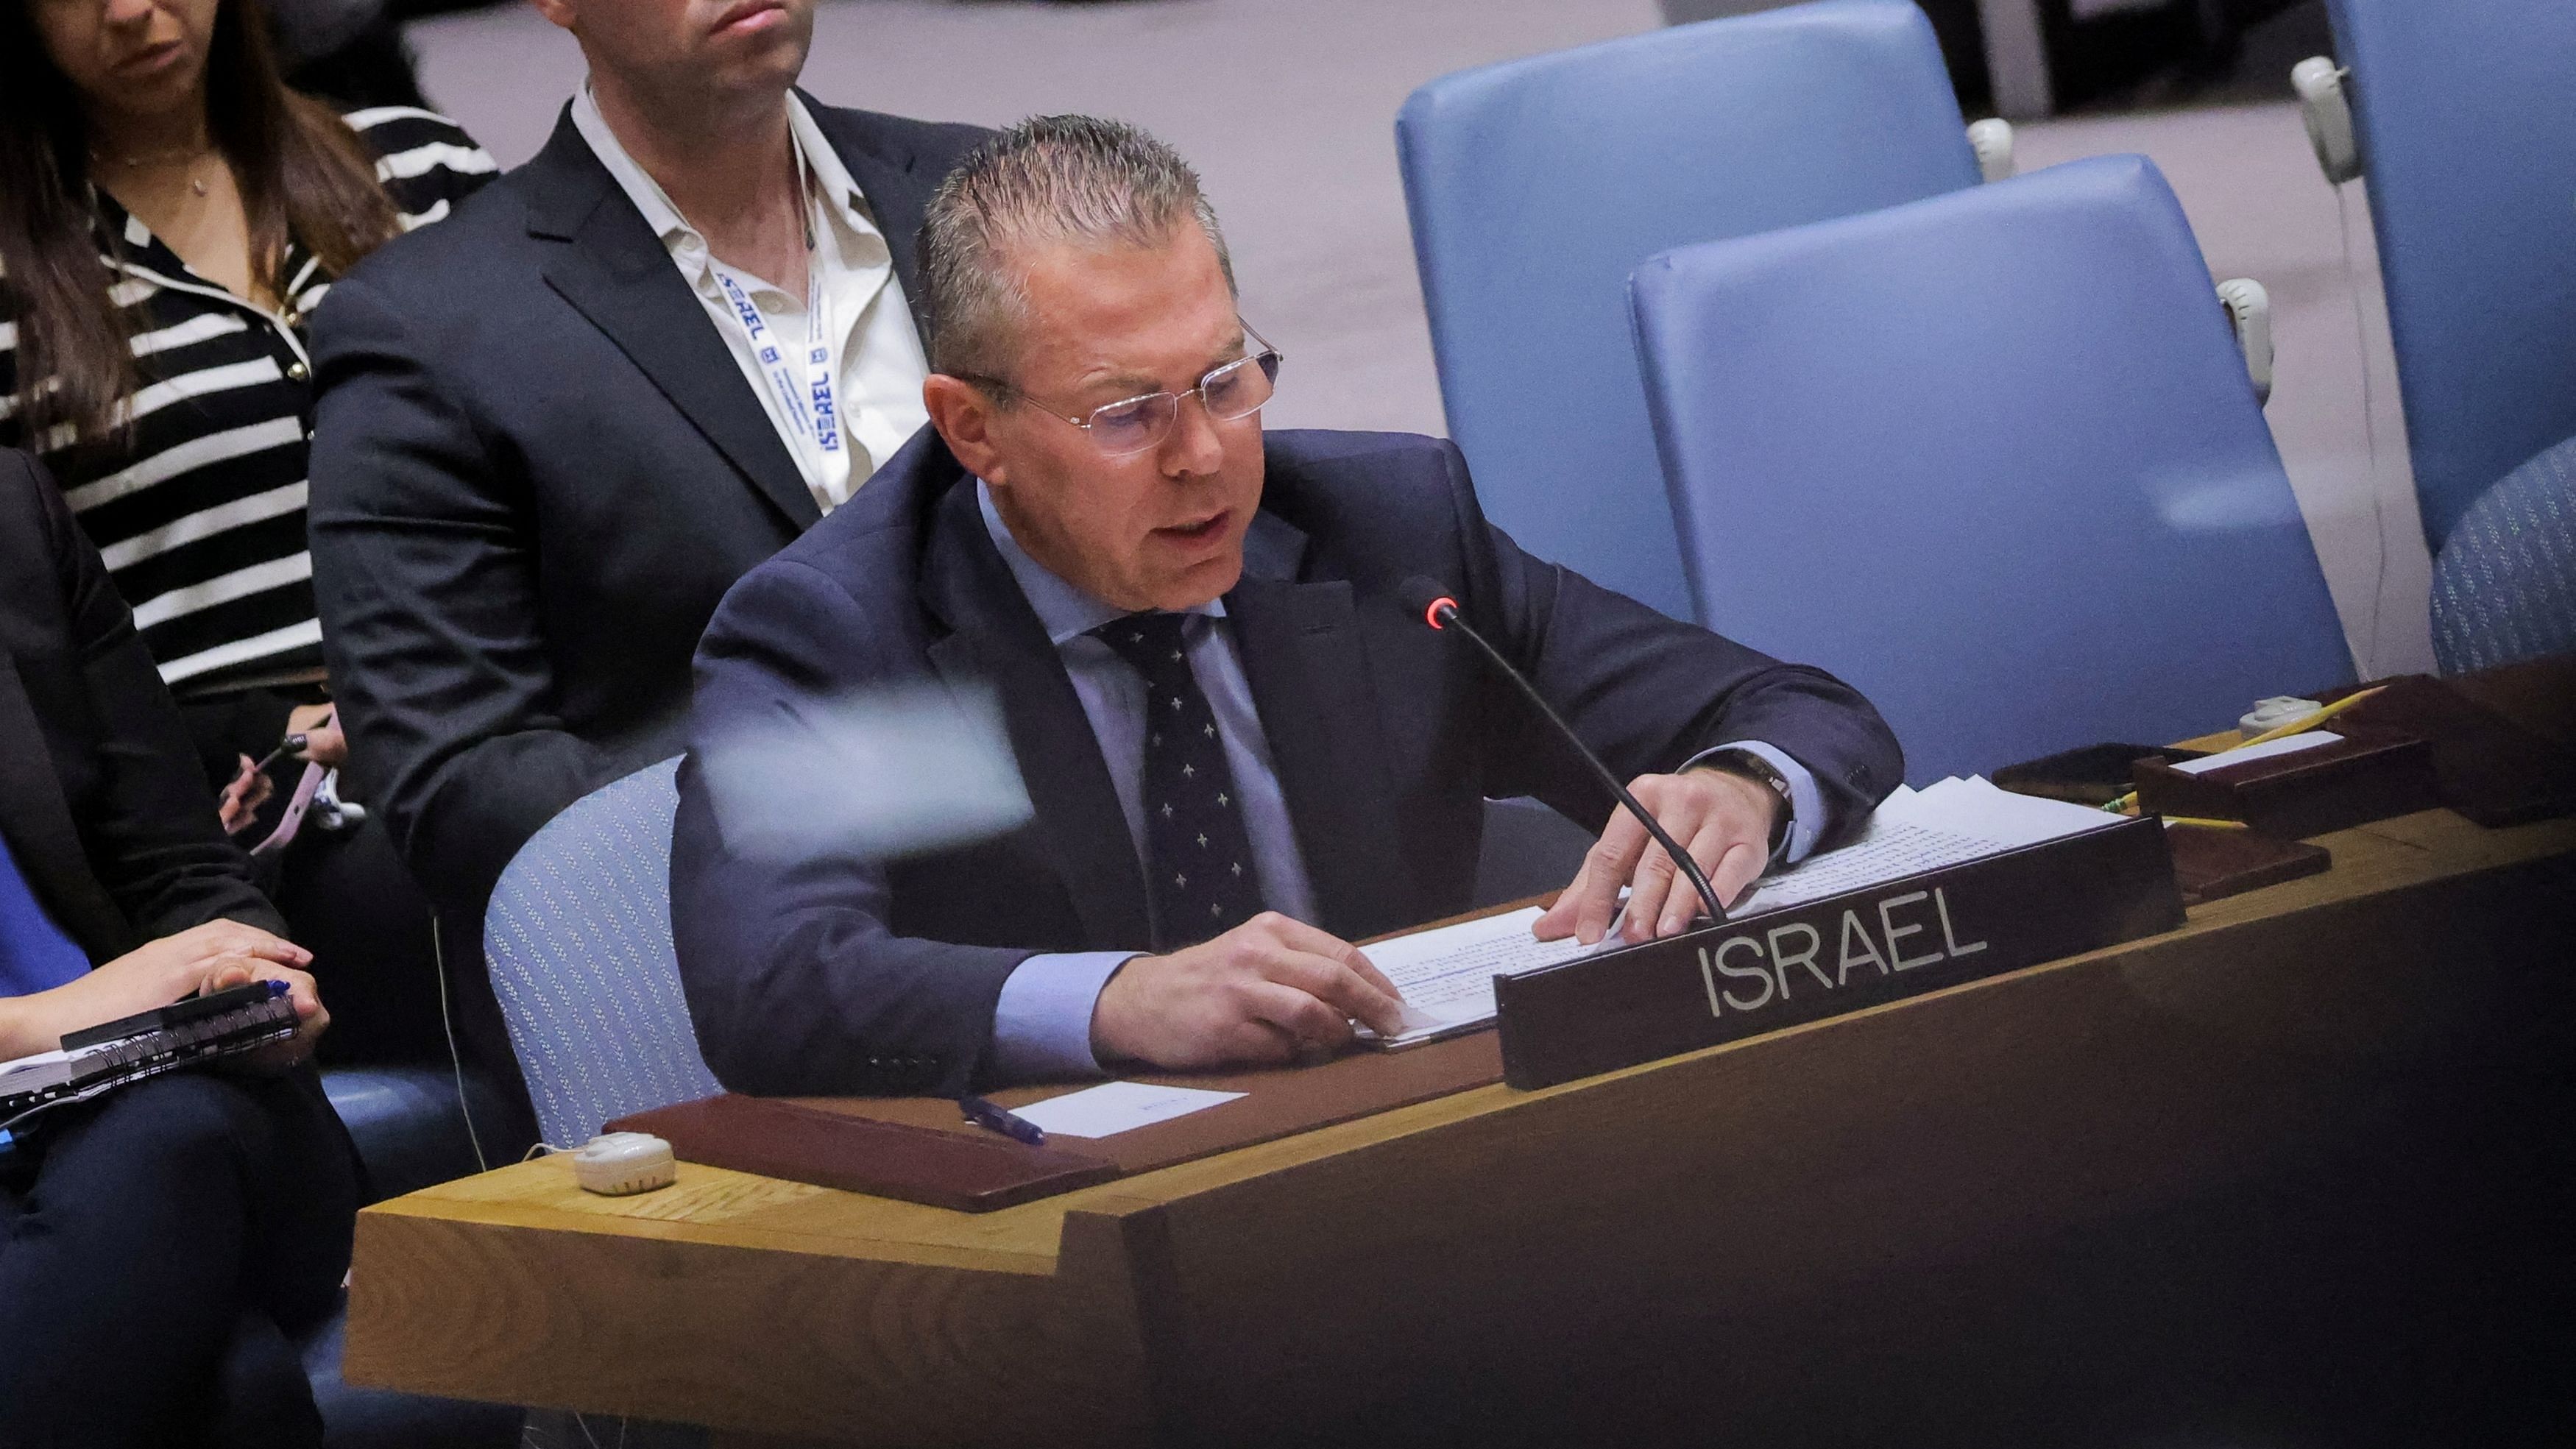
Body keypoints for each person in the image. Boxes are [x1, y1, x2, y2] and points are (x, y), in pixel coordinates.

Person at [668, 117, 1906, 1096]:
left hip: (1432, 1153)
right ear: (973, 428)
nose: (1204, 456)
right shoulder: (839, 629)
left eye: (1225, 378)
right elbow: (771, 982)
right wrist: (1117, 1000)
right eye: (1127, 412)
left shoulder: (1389, 530)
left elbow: (1799, 709)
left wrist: (1743, 784)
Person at [304, 0, 991, 1116]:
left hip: (1090, 906)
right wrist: (867, 785)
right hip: (726, 993)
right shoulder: (429, 330)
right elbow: (457, 779)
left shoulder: (987, 192)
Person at [0, 0, 495, 1063]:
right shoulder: (11, 279)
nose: (131, 10)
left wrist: (419, 694)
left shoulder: (421, 167)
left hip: (489, 708)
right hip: (237, 814)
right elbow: (41, 675)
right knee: (492, 871)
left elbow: (580, 479)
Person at [0, 448, 345, 1448]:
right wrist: (41, 1020)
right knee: (242, 1395)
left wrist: (242, 981)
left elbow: (181, 867)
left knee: (174, 1140)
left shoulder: (15, 515)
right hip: (97, 1124)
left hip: (159, 1108)